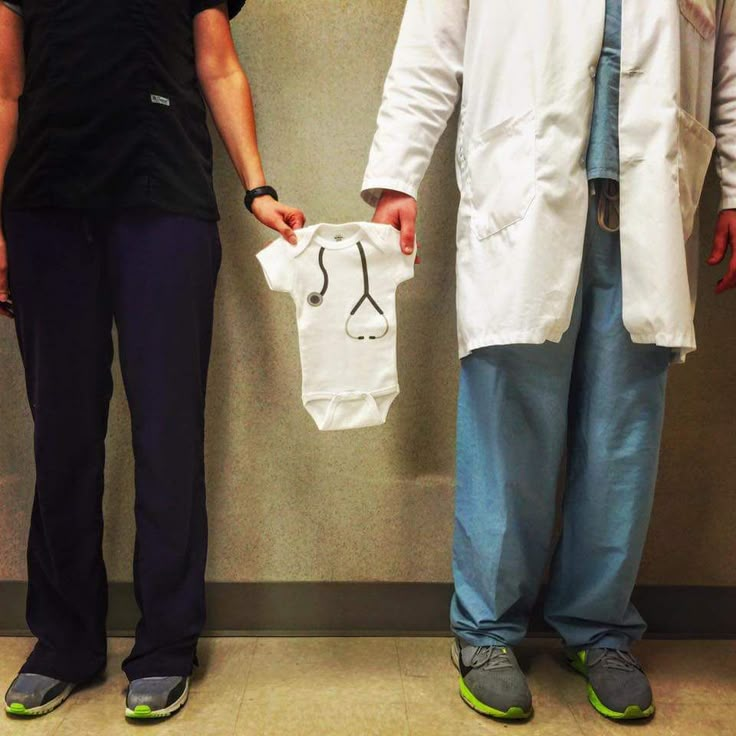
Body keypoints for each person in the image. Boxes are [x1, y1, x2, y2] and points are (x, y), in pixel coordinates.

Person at [363, 0, 736, 722]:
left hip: (650, 202)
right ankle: (486, 631)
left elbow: (729, 61)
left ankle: (598, 629)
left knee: (622, 436)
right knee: (508, 420)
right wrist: (397, 174)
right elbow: (432, 43)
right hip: (523, 192)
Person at [0, 0, 304, 721]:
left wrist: (257, 187)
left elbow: (218, 65)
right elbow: (5, 89)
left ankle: (166, 645)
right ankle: (63, 642)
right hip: (46, 206)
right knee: (64, 438)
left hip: (163, 203)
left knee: (168, 435)